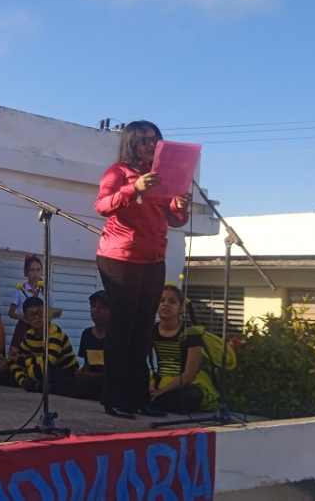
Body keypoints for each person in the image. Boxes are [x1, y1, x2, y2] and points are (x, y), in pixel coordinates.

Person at [94, 120, 191, 419]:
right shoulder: (118, 172)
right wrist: (133, 187)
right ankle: (114, 398)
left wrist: (180, 206)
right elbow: (102, 206)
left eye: (155, 140)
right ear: (132, 143)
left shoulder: (162, 178)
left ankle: (138, 398)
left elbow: (175, 220)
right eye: (145, 140)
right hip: (120, 257)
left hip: (153, 259)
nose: (151, 145)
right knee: (122, 327)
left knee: (142, 329)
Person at [150, 285, 219, 414]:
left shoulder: (191, 333)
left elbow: (189, 375)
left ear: (181, 308)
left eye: (172, 301)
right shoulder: (152, 330)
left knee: (188, 397)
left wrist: (162, 391)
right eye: (161, 300)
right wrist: (152, 386)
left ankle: (158, 401)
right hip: (160, 379)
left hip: (187, 383)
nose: (165, 304)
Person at [8, 297, 77, 394]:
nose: (37, 318)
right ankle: (31, 384)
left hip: (63, 370)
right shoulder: (29, 335)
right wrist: (22, 380)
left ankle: (38, 384)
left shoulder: (54, 333)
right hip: (39, 369)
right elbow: (13, 360)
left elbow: (49, 362)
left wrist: (21, 361)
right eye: (32, 315)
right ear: (26, 319)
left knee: (49, 373)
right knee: (8, 369)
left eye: (40, 314)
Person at [74, 290, 110, 401]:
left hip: (109, 383)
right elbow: (87, 363)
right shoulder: (87, 334)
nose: (96, 310)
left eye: (102, 307)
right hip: (89, 382)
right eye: (93, 306)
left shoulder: (116, 336)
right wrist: (80, 373)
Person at [7, 255, 44, 352]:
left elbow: (51, 312)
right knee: (18, 355)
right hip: (23, 328)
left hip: (40, 329)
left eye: (38, 270)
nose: (35, 273)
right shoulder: (20, 290)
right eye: (32, 270)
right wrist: (25, 318)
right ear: (26, 272)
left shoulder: (46, 292)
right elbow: (11, 313)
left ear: (41, 271)